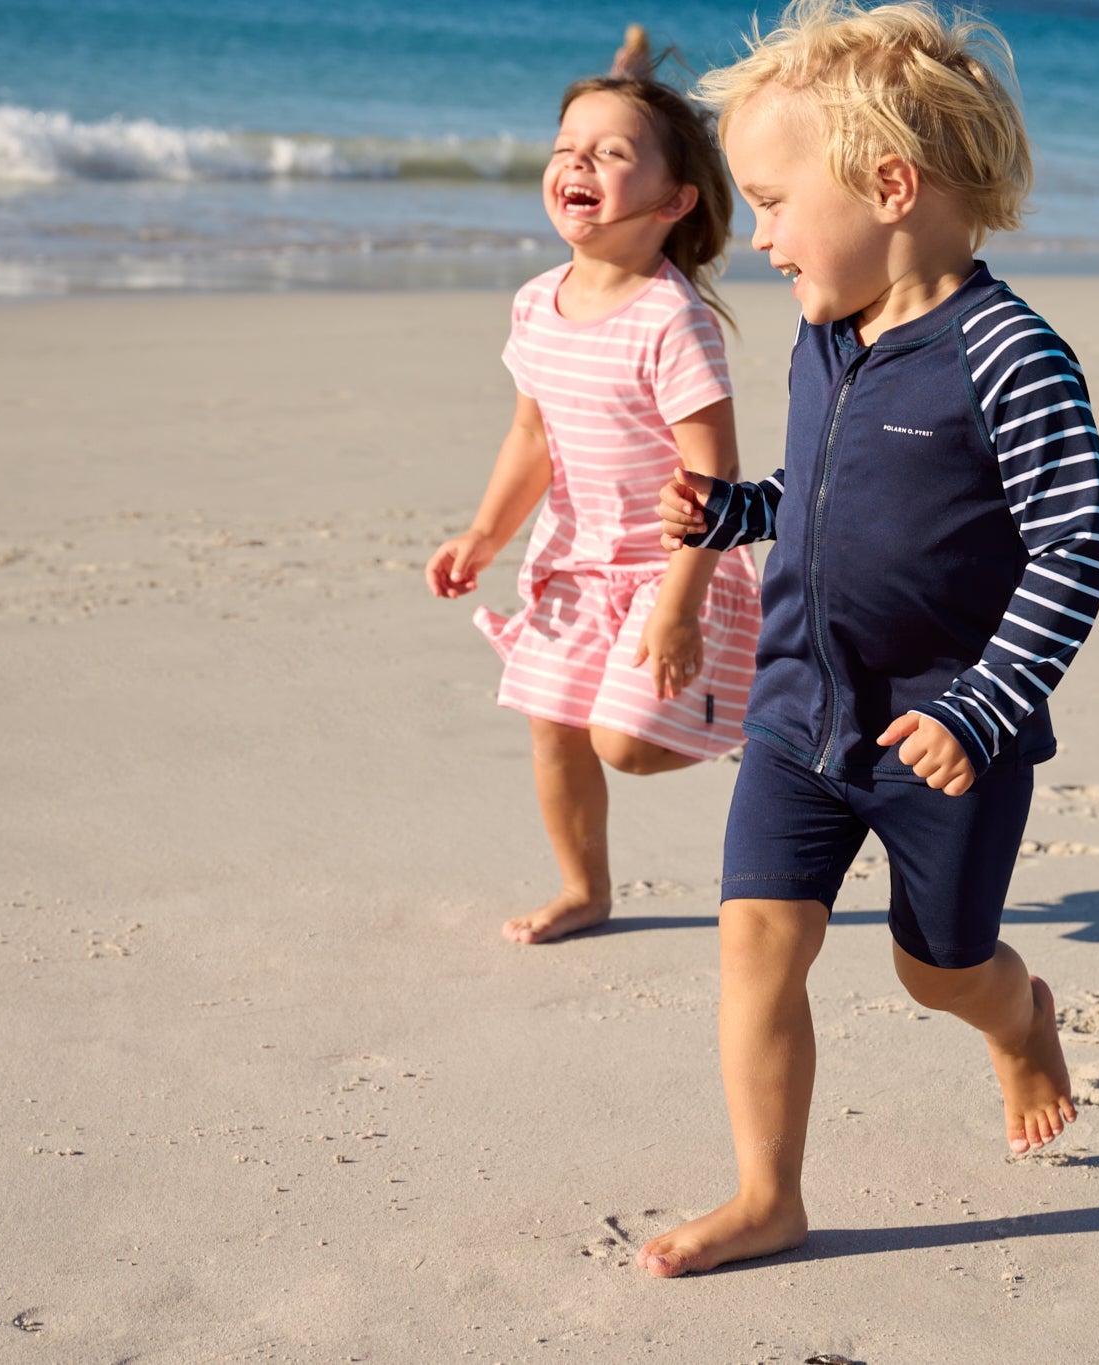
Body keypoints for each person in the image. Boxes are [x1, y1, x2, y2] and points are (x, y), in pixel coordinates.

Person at [637, 0, 1099, 1276]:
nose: (759, 236)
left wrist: (980, 708)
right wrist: (736, 514)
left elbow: (1076, 544)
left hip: (943, 741)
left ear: (889, 188)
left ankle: (1016, 1020)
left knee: (936, 971)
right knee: (756, 940)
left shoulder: (1008, 356)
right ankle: (769, 1195)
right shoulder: (824, 332)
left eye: (772, 202)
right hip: (800, 711)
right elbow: (826, 499)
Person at [426, 28, 762, 946]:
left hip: (670, 569)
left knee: (627, 744)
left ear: (673, 201)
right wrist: (485, 533)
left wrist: (681, 607)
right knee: (553, 724)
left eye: (610, 154)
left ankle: (765, 711)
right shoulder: (537, 303)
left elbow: (716, 476)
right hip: (574, 565)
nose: (577, 163)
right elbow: (532, 435)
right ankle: (585, 889)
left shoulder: (672, 320)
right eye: (565, 148)